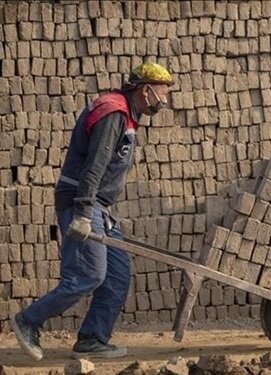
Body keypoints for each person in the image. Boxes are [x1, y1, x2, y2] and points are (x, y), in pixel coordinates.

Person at [10, 62, 175, 360]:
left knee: (117, 275)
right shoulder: (114, 113)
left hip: (101, 206)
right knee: (87, 276)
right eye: (162, 93)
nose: (164, 100)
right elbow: (95, 166)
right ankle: (28, 320)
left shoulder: (127, 115)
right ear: (145, 89)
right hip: (82, 200)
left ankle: (92, 338)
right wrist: (84, 214)